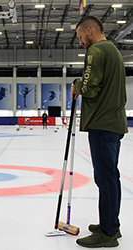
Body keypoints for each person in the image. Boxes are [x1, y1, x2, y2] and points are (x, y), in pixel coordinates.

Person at [70, 16, 128, 248]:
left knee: (105, 179)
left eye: (81, 37)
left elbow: (91, 88)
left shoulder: (96, 52)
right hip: (114, 122)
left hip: (102, 123)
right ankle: (112, 223)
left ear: (90, 31)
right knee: (111, 177)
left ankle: (108, 233)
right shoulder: (113, 51)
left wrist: (77, 84)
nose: (81, 42)